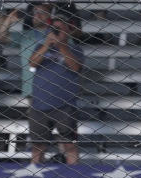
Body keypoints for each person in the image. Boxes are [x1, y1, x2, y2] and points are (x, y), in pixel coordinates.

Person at [27, 11, 83, 164]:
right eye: (54, 29)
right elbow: (32, 63)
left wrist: (62, 46)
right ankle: (34, 174)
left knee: (69, 145)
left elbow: (76, 67)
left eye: (60, 28)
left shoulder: (75, 49)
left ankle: (75, 177)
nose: (57, 32)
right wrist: (47, 45)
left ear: (67, 30)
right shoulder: (40, 46)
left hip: (65, 104)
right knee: (38, 146)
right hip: (39, 104)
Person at [0, 3, 53, 98]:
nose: (37, 15)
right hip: (31, 90)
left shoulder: (60, 34)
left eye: (42, 12)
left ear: (50, 16)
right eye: (35, 12)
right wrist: (8, 20)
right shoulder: (25, 35)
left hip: (55, 89)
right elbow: (1, 37)